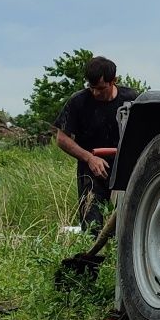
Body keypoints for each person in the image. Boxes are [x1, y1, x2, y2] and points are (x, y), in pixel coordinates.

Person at [53, 56, 140, 234]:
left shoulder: (132, 99)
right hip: (90, 168)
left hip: (124, 166)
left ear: (113, 81)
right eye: (91, 88)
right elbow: (61, 138)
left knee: (130, 223)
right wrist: (89, 158)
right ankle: (92, 259)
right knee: (91, 227)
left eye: (100, 88)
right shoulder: (78, 102)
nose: (95, 93)